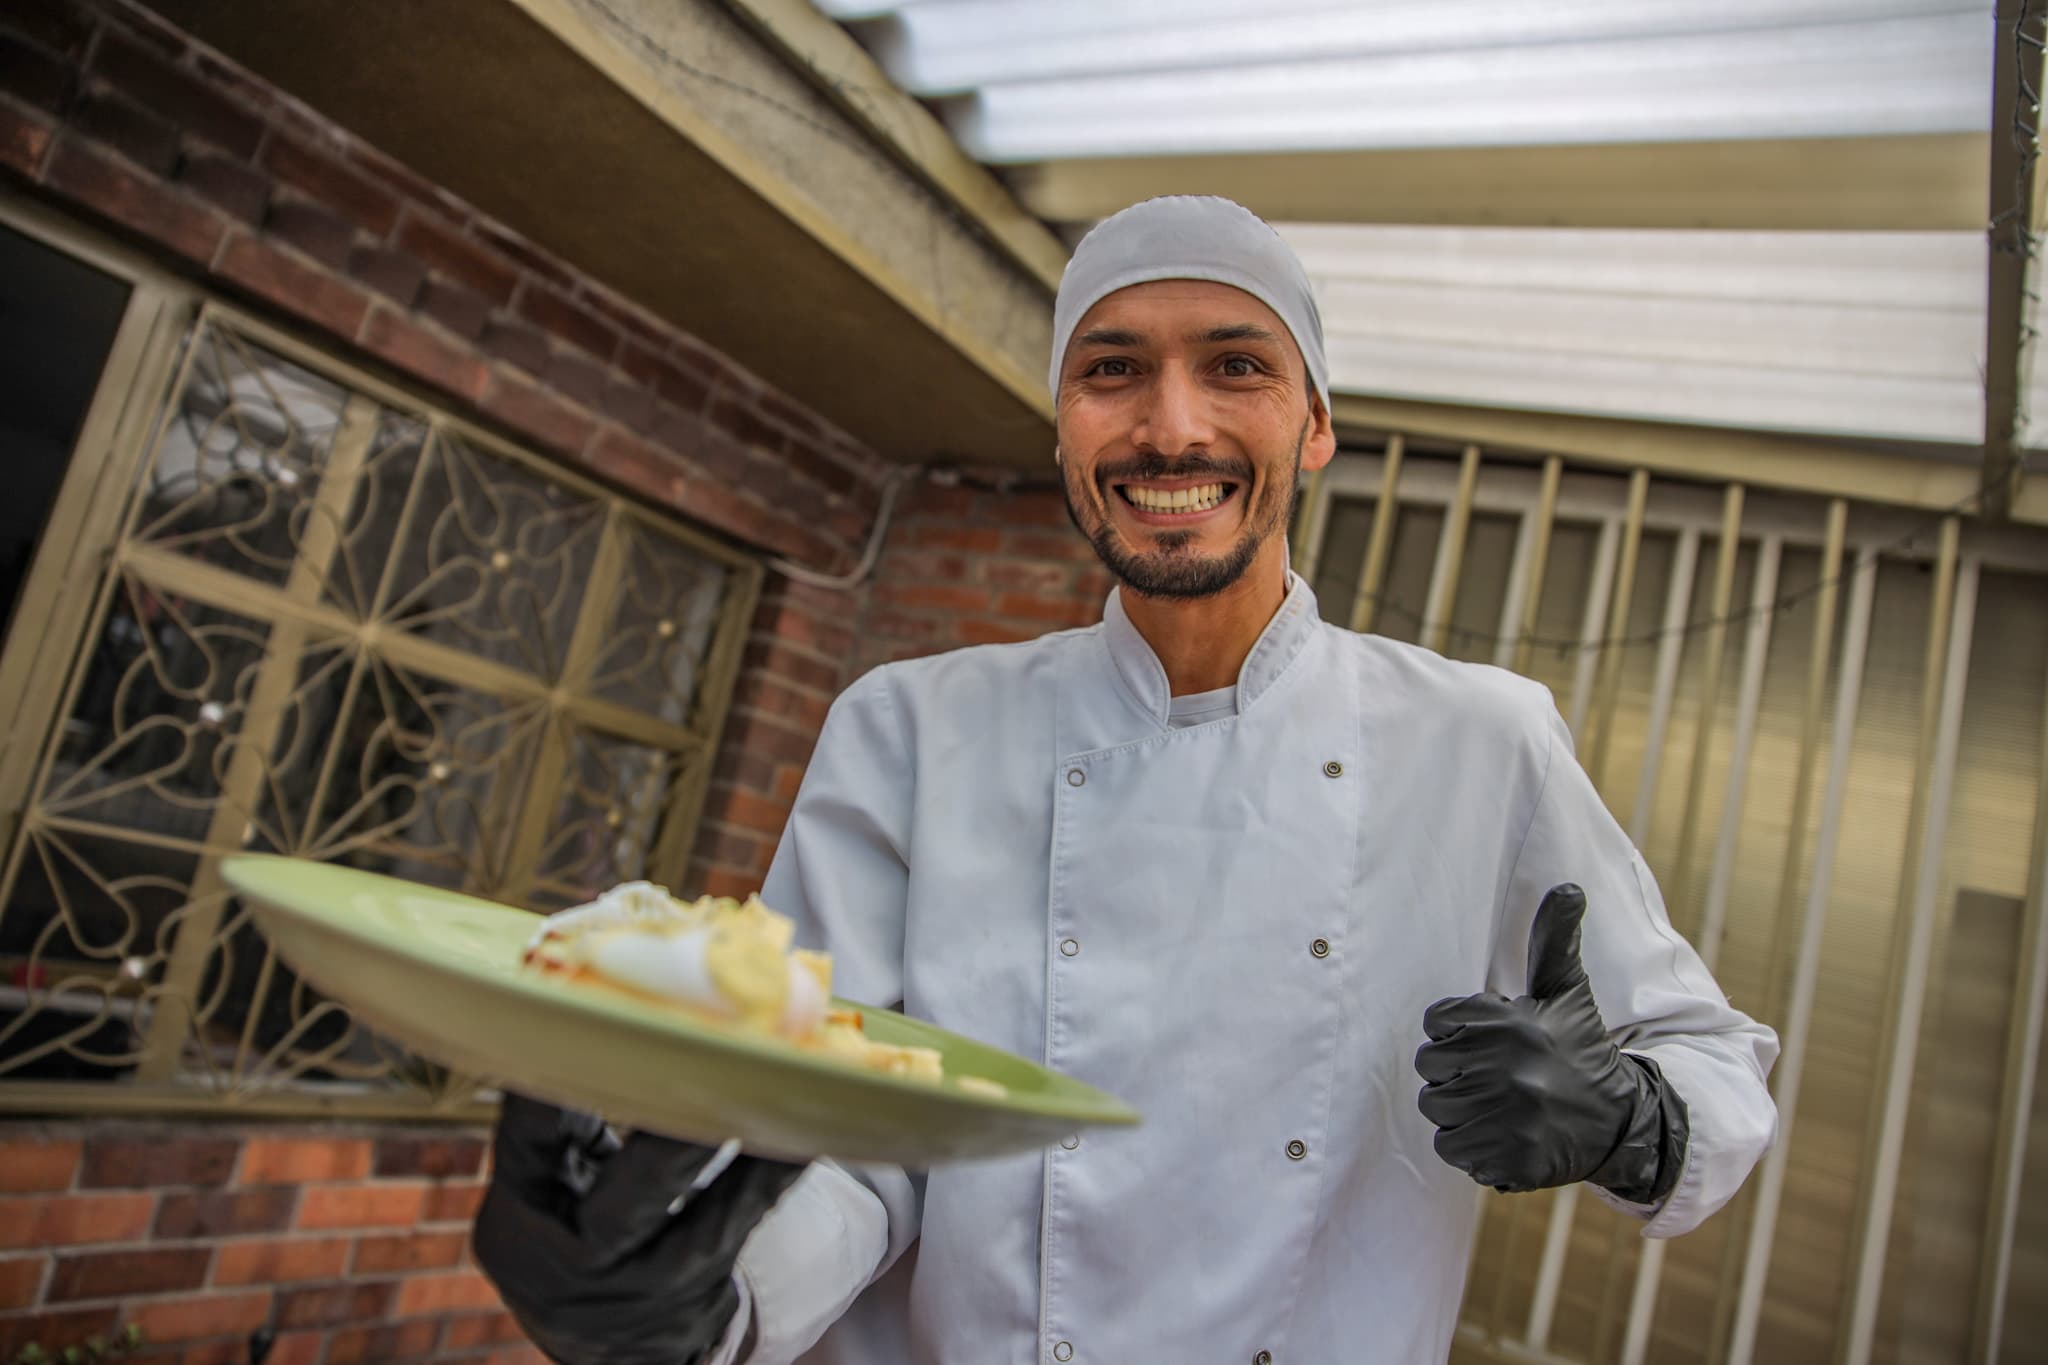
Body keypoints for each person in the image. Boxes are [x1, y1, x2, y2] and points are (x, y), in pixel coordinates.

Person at [474, 196, 1780, 1365]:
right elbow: (853, 1134)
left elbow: (1713, 1057)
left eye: (1237, 367)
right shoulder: (910, 730)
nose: (1171, 426)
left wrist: (1634, 1120)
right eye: (1113, 372)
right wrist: (707, 1305)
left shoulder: (1483, 739)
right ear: (1062, 427)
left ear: (1315, 424)